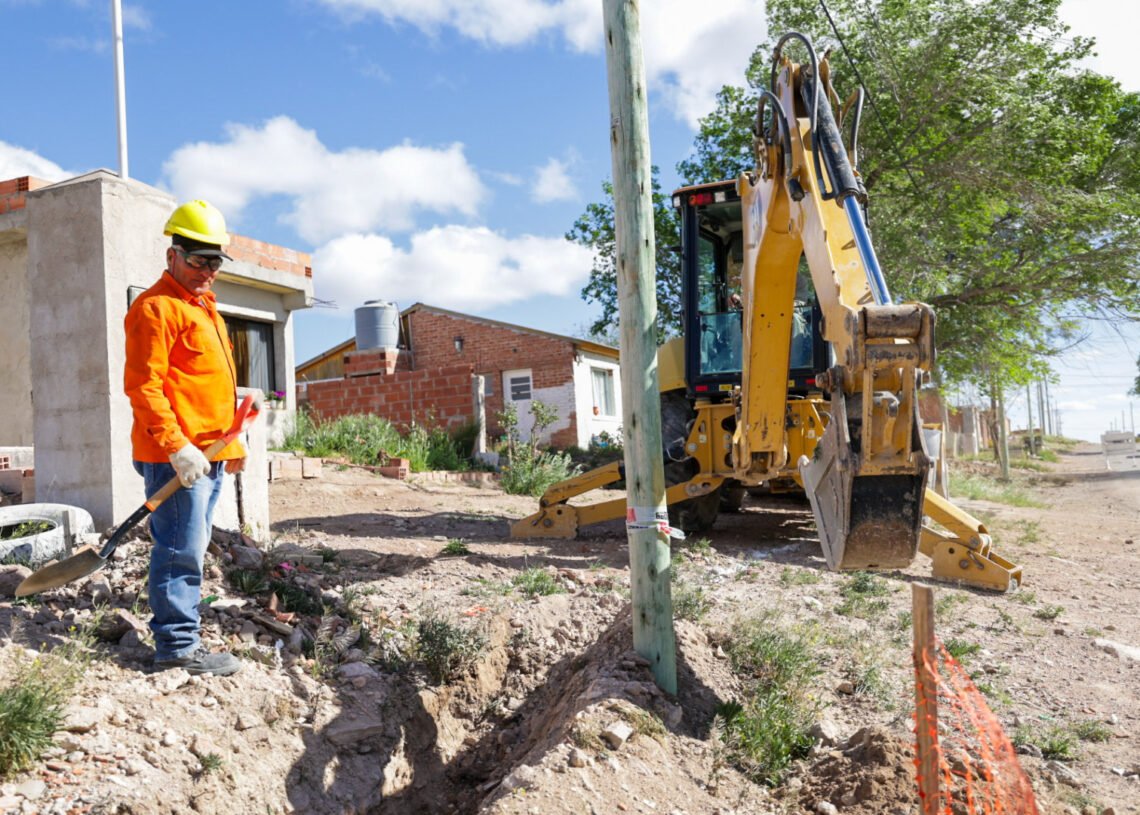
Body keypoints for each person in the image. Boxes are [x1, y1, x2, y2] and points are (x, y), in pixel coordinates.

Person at [124, 200, 247, 677]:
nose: (208, 270)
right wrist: (176, 446)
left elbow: (211, 388)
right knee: (179, 549)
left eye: (215, 261)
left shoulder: (205, 310)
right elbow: (144, 387)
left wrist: (230, 448)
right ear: (173, 254)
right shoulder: (155, 309)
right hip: (175, 457)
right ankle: (176, 648)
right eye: (198, 260)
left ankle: (181, 636)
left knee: (189, 546)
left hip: (208, 456)